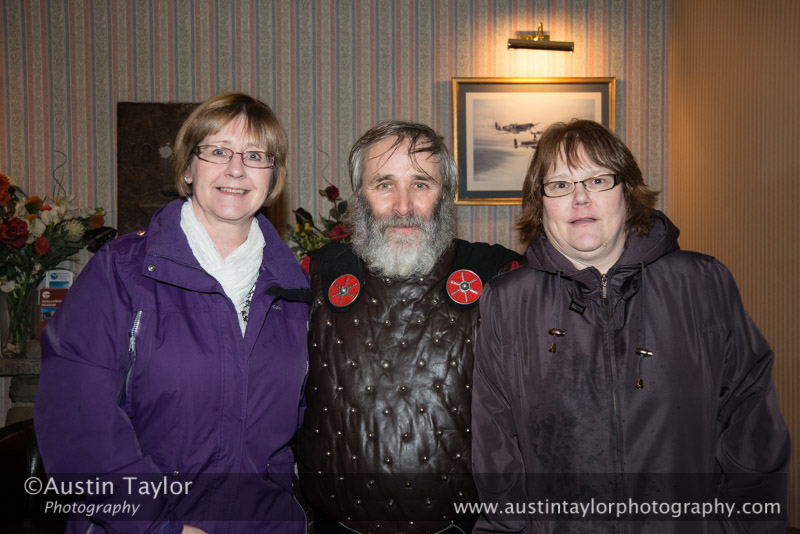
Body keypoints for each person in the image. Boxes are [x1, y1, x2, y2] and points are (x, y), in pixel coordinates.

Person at [471, 119, 791, 533]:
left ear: (627, 190)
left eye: (597, 179)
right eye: (561, 185)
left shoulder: (702, 283)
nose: (580, 199)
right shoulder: (507, 301)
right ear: (541, 202)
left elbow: (752, 423)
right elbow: (495, 448)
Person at [34, 92, 310, 534]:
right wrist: (157, 527)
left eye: (255, 155)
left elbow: (299, 428)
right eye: (218, 150)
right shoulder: (121, 272)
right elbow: (77, 421)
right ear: (187, 167)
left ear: (272, 176)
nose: (236, 168)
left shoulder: (295, 291)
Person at [297, 120, 522, 533]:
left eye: (421, 184)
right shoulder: (313, 275)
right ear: (358, 198)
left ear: (445, 195)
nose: (403, 206)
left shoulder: (502, 277)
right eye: (383, 184)